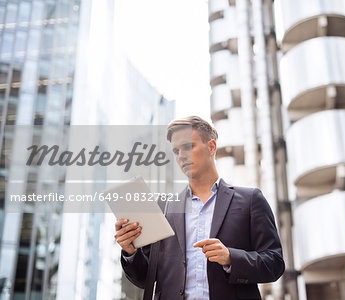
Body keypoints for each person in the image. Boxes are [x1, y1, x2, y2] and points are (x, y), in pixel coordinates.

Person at [114, 116, 285, 300]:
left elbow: (274, 263)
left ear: (211, 147)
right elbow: (145, 278)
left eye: (188, 147)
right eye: (176, 151)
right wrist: (130, 251)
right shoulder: (164, 208)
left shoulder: (250, 200)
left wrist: (230, 258)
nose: (181, 156)